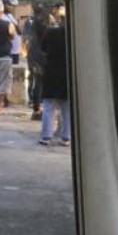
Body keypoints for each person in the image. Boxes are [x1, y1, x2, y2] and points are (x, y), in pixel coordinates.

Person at [39, 11, 70, 146]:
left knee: (48, 105)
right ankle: (66, 137)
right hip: (68, 71)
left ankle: (46, 136)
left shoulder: (51, 32)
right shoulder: (74, 35)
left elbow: (43, 48)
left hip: (51, 70)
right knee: (66, 107)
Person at [22, 2, 50, 119]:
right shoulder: (43, 21)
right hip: (40, 55)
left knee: (33, 79)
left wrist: (25, 53)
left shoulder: (30, 20)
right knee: (39, 81)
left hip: (32, 54)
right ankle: (38, 106)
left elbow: (26, 39)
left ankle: (35, 104)